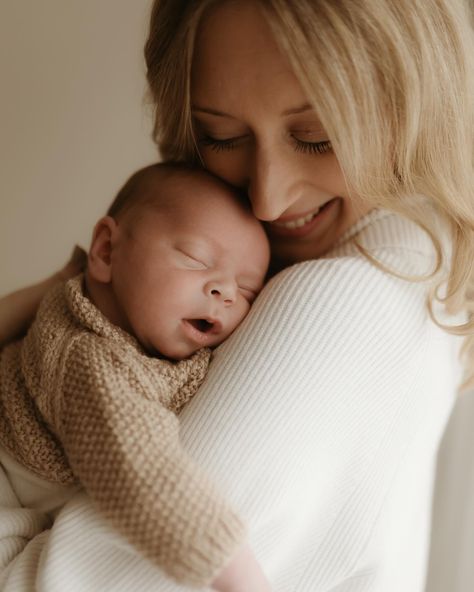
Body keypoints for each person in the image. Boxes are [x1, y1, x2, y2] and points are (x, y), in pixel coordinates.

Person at [0, 0, 473, 590]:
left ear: (415, 96)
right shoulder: (413, 261)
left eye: (317, 138)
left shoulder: (348, 299)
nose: (268, 202)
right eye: (220, 136)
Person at [0, 162, 271, 591]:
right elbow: (140, 467)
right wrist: (242, 579)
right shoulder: (87, 358)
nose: (225, 292)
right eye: (197, 259)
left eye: (248, 290)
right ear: (107, 251)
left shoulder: (149, 338)